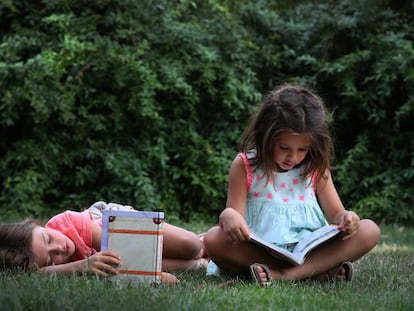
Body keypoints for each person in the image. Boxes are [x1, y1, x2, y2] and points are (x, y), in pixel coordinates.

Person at [203, 83, 381, 285]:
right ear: (266, 135)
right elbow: (235, 216)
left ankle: (283, 276)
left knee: (369, 229)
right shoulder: (245, 165)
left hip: (310, 251)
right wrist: (228, 215)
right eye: (284, 147)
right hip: (262, 251)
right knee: (213, 239)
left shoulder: (315, 167)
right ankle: (318, 272)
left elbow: (337, 215)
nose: (293, 157)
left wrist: (348, 218)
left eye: (302, 149)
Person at [0, 201, 207, 285]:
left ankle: (203, 242)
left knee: (191, 247)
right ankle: (203, 261)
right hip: (118, 255)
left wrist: (154, 273)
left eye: (48, 238)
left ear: (39, 225)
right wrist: (82, 266)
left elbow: (128, 250)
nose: (60, 248)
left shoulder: (65, 223)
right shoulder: (55, 267)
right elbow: (32, 274)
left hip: (118, 226)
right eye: (51, 258)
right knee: (192, 264)